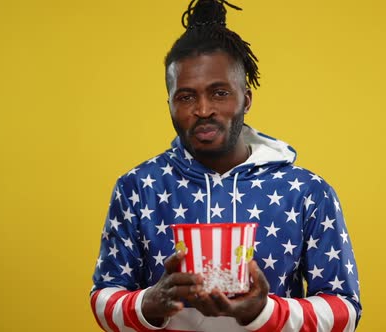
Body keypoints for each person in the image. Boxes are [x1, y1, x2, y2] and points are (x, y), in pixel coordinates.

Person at [90, 0, 362, 330]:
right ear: (170, 104)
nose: (203, 109)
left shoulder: (307, 192)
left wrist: (262, 312)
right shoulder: (136, 187)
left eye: (219, 93)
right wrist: (147, 304)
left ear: (246, 98)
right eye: (186, 96)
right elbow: (104, 295)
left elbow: (345, 310)